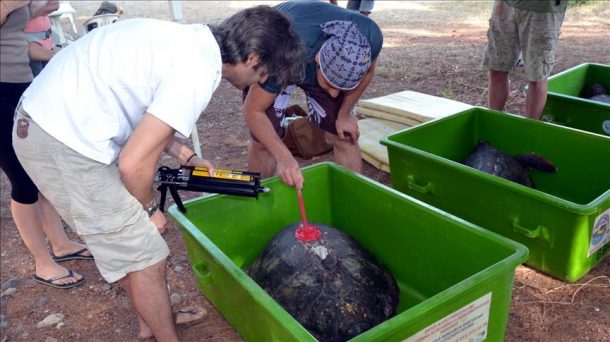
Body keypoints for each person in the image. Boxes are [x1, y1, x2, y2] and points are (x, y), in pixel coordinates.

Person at [12, 6, 302, 341]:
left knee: (129, 247)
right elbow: (134, 163)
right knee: (147, 255)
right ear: (252, 57)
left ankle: (152, 319)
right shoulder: (198, 71)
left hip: (48, 121)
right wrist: (150, 210)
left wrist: (186, 154)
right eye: (265, 72)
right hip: (60, 140)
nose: (262, 81)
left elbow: (146, 114)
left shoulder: (193, 39)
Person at [1, 0, 92, 290]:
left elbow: (14, 42)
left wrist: (55, 55)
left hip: (21, 86)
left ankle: (60, 244)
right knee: (22, 179)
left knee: (39, 167)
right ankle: (42, 262)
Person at [244, 1, 382, 191]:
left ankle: (353, 199)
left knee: (344, 135)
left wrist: (344, 113)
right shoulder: (282, 55)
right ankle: (258, 204)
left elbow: (367, 73)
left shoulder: (368, 37)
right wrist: (284, 157)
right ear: (318, 60)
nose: (334, 93)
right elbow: (253, 111)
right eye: (329, 84)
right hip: (282, 43)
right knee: (263, 143)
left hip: (307, 50)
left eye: (341, 87)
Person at [483, 0, 567, 119]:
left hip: (543, 9)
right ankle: (491, 126)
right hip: (505, 5)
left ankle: (529, 132)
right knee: (496, 69)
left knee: (537, 78)